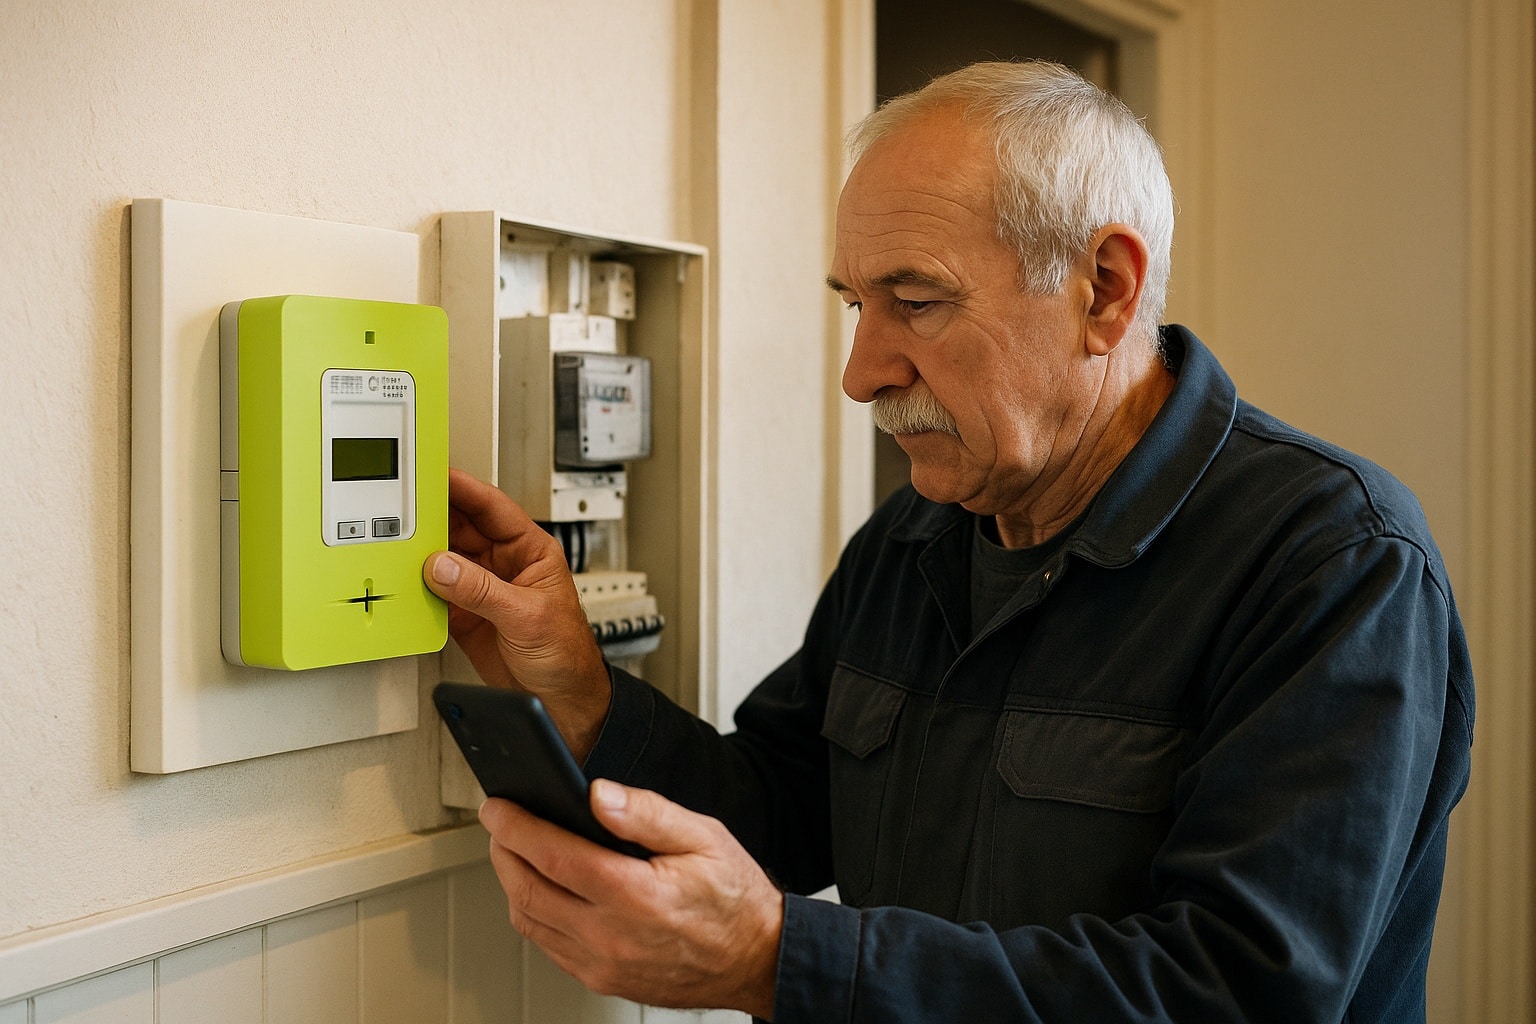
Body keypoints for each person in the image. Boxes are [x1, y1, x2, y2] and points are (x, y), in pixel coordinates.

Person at [422, 61, 1474, 1023]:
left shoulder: (1335, 562)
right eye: (854, 303)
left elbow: (1240, 992)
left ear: (1103, 289)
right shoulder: (915, 536)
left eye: (916, 302)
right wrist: (580, 698)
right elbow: (779, 813)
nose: (862, 371)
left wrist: (784, 961)